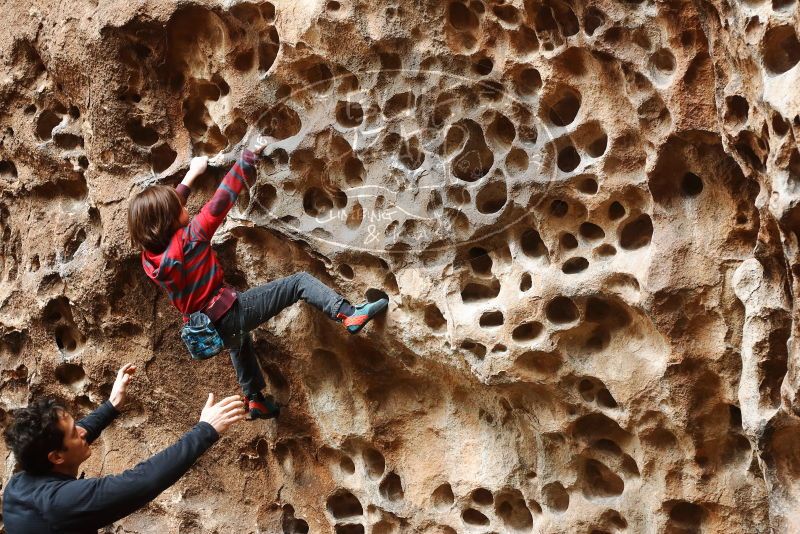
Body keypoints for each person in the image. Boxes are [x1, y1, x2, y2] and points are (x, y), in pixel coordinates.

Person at [126, 139, 389, 420]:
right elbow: (222, 199)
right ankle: (348, 314)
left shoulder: (149, 260)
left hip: (208, 328)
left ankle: (255, 399)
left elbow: (163, 213)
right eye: (177, 206)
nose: (182, 206)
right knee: (298, 282)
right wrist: (248, 157)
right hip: (230, 311)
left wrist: (192, 175)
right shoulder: (193, 236)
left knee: (239, 341)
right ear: (169, 220)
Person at [2, 363, 245, 533]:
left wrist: (111, 406)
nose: (82, 430)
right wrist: (206, 429)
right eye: (73, 432)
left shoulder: (21, 482)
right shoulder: (61, 503)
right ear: (55, 457)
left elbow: (80, 431)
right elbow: (142, 481)